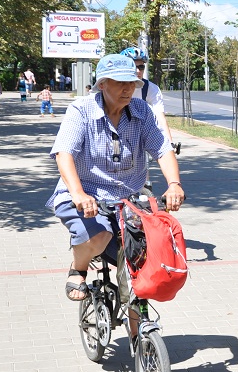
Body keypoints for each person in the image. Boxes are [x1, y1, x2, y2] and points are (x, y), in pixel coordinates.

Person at [46, 53, 185, 316]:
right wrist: (77, 193)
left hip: (129, 197)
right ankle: (79, 268)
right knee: (98, 235)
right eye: (120, 82)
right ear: (102, 84)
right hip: (85, 193)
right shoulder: (81, 110)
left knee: (143, 260)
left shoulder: (141, 111)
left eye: (132, 83)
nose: (128, 89)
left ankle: (139, 334)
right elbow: (63, 153)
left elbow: (162, 150)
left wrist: (174, 184)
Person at [120, 47, 179, 154]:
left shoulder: (151, 89)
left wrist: (170, 143)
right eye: (133, 66)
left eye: (141, 67)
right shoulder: (113, 86)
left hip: (138, 134)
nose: (138, 71)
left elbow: (160, 117)